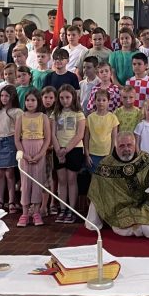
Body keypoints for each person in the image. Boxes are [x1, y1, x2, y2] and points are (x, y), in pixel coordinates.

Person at [16, 88, 52, 226]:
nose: (30, 103)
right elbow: (17, 139)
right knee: (25, 183)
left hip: (39, 151)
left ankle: (36, 212)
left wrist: (40, 154)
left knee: (37, 182)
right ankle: (25, 213)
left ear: (38, 101)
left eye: (33, 100)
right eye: (27, 100)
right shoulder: (21, 117)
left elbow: (47, 139)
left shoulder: (43, 117)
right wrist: (24, 154)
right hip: (25, 150)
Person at [52, 85, 86, 224]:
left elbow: (79, 134)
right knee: (62, 181)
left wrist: (66, 150)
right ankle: (62, 209)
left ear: (73, 97)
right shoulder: (55, 114)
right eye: (61, 98)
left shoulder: (79, 114)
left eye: (67, 97)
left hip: (74, 149)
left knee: (71, 180)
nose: (65, 100)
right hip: (58, 149)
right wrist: (58, 150)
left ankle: (72, 210)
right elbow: (53, 134)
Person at [0, 85, 22, 212]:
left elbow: (19, 131)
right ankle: (0, 200)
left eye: (7, 96)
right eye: (2, 95)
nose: (4, 98)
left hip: (10, 141)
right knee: (0, 173)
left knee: (9, 173)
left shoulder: (17, 112)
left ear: (12, 97)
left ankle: (11, 201)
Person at [85, 89, 120, 173]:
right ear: (94, 101)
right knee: (94, 178)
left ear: (108, 101)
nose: (101, 102)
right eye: (98, 100)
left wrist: (111, 155)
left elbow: (114, 138)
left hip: (107, 154)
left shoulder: (113, 118)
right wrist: (87, 155)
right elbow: (86, 137)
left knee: (105, 177)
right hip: (93, 154)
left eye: (104, 100)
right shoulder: (90, 118)